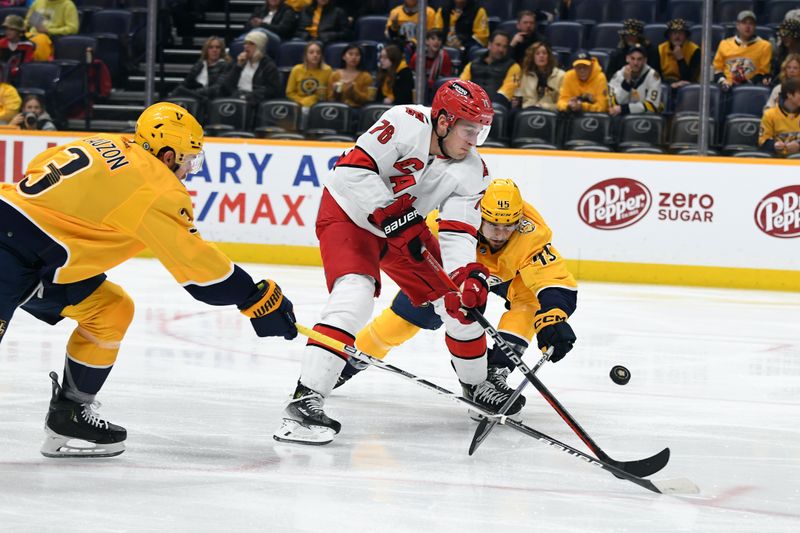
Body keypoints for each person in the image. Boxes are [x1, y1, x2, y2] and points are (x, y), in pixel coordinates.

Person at [0, 102, 298, 458]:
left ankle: (70, 414)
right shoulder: (155, 184)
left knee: (109, 310)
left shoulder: (102, 144)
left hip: (32, 254)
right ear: (168, 154)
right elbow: (199, 271)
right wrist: (252, 296)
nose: (189, 169)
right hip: (12, 254)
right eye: (189, 159)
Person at [272, 79, 502, 446]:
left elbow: (458, 234)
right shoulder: (403, 121)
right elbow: (350, 172)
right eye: (468, 129)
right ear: (443, 121)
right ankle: (305, 401)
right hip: (350, 215)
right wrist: (391, 211)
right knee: (356, 293)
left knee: (459, 301)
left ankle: (478, 387)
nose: (474, 140)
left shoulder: (474, 171)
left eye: (480, 131)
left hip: (404, 227)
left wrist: (465, 274)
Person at [337, 179, 578, 399]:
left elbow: (553, 279)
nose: (499, 233)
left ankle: (497, 369)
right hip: (455, 270)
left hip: (509, 276)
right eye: (492, 223)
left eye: (508, 226)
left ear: (518, 220)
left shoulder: (531, 234)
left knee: (530, 303)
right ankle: (347, 363)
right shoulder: (446, 220)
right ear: (479, 214)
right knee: (404, 320)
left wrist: (553, 317)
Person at [169, 36, 232, 114]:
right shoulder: (200, 64)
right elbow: (186, 82)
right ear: (206, 50)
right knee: (178, 90)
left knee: (180, 92)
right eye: (211, 47)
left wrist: (194, 92)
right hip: (198, 96)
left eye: (217, 47)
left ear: (221, 50)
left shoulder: (225, 65)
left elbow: (217, 88)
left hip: (211, 97)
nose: (214, 50)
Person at [713, 10, 772, 91]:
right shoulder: (724, 44)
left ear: (755, 26)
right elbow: (717, 68)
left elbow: (763, 72)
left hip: (750, 88)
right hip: (726, 88)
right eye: (744, 23)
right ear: (737, 25)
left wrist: (748, 83)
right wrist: (723, 81)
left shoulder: (765, 46)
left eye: (751, 23)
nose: (747, 26)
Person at [219, 30, 280, 107]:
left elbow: (271, 91)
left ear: (259, 46)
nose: (246, 46)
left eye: (251, 43)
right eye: (245, 43)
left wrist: (246, 97)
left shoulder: (268, 66)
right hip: (235, 101)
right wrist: (238, 67)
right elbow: (226, 86)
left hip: (255, 104)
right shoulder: (238, 62)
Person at [460, 30, 520, 108]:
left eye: (505, 46)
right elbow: (462, 85)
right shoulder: (472, 64)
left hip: (495, 107)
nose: (501, 49)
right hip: (470, 105)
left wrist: (486, 106)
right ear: (489, 45)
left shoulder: (513, 67)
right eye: (498, 45)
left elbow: (506, 92)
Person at [609, 44, 663, 117]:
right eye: (632, 58)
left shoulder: (653, 76)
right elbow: (613, 103)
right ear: (627, 58)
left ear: (645, 60)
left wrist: (624, 109)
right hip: (622, 119)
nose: (635, 63)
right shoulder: (618, 76)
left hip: (646, 118)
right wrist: (626, 83)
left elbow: (652, 105)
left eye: (639, 59)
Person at [515, 40, 564, 111]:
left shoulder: (561, 75)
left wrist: (544, 106)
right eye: (537, 54)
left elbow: (562, 103)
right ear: (532, 57)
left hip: (550, 111)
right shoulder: (526, 75)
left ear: (549, 56)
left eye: (544, 53)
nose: (541, 56)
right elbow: (522, 99)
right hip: (528, 111)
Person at [759, 78, 800, 157]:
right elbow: (762, 141)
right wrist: (774, 145)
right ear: (790, 95)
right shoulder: (770, 114)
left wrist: (798, 144)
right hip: (776, 160)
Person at [286, 40, 332, 109]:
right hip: (298, 105)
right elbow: (289, 93)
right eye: (311, 52)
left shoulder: (327, 70)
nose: (315, 55)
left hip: (319, 105)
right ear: (305, 55)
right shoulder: (296, 69)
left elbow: (329, 93)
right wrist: (303, 102)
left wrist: (313, 99)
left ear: (321, 55)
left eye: (318, 53)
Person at [657, 18, 700, 90]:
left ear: (686, 35)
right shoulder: (660, 49)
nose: (677, 36)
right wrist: (670, 85)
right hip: (664, 86)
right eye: (674, 32)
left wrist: (680, 59)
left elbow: (690, 79)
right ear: (669, 35)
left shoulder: (695, 51)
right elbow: (655, 76)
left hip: (686, 87)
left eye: (681, 33)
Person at [326, 43, 373, 108]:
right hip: (337, 108)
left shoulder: (366, 76)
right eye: (350, 54)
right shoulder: (334, 75)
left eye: (357, 55)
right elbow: (329, 99)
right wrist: (335, 92)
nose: (354, 57)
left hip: (358, 110)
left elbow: (367, 100)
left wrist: (353, 90)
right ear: (343, 57)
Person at [409, 29, 453, 95]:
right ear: (427, 41)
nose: (436, 42)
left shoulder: (444, 57)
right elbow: (411, 73)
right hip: (419, 88)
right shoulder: (418, 56)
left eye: (439, 40)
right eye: (433, 39)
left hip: (437, 91)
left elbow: (446, 79)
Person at [0, 15, 35, 83]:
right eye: (6, 29)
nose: (8, 32)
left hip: (21, 76)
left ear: (20, 32)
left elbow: (27, 65)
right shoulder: (1, 43)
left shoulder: (27, 46)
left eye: (12, 29)